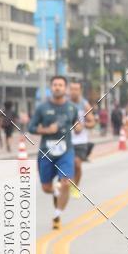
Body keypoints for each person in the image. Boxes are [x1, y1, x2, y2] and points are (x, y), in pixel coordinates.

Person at [28, 74, 81, 230]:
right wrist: (46, 130)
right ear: (51, 88)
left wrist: (79, 128)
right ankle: (57, 190)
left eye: (60, 85)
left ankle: (57, 214)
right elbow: (31, 127)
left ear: (65, 89)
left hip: (66, 150)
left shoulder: (72, 107)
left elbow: (76, 124)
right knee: (46, 188)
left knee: (65, 182)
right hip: (46, 152)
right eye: (55, 85)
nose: (57, 87)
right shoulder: (42, 108)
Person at [68, 81, 95, 199]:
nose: (74, 92)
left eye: (76, 89)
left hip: (80, 140)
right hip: (66, 140)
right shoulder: (63, 104)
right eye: (72, 89)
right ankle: (65, 183)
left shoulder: (84, 105)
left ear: (80, 91)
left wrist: (82, 126)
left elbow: (92, 122)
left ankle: (74, 187)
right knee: (67, 165)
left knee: (77, 164)